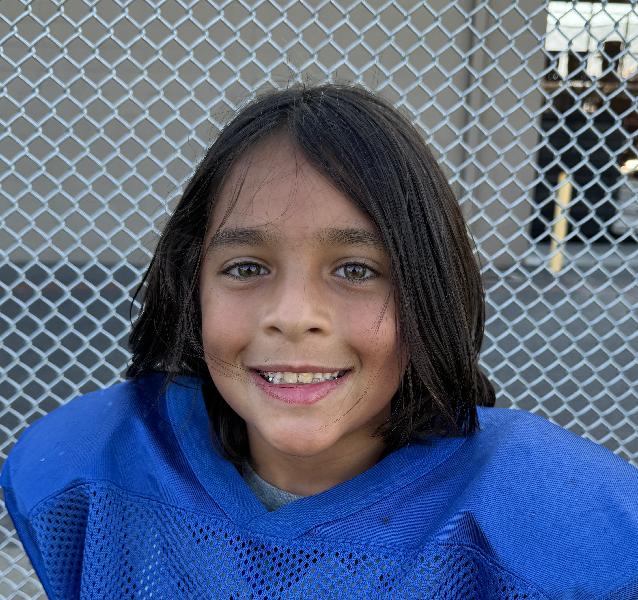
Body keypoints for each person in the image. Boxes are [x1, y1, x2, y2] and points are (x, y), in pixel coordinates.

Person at [2, 82, 638, 600]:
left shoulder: (554, 521)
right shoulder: (90, 473)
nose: (293, 316)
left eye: (356, 270)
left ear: (430, 289)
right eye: (245, 267)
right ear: (191, 286)